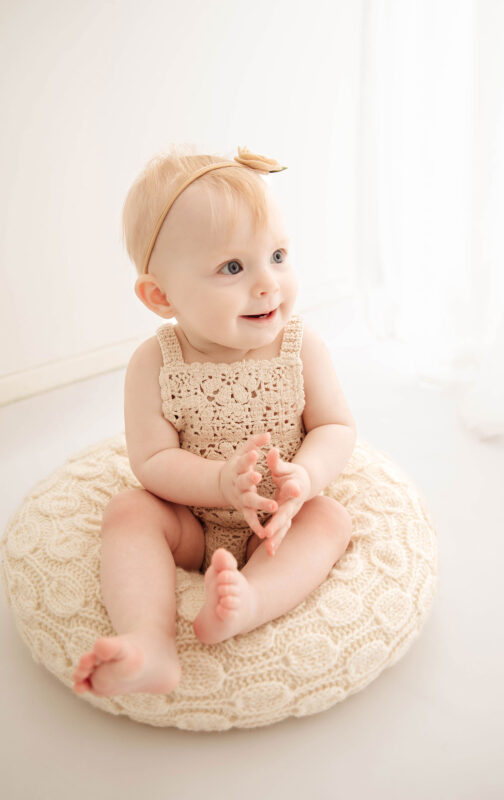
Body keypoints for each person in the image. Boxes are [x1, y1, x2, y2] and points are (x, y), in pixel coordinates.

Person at [72, 145, 357, 697]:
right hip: (189, 522)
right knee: (129, 511)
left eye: (277, 255)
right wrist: (218, 483)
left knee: (330, 521)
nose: (267, 282)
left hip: (278, 519)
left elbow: (335, 427)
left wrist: (307, 477)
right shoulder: (155, 363)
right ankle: (148, 642)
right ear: (161, 296)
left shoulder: (302, 347)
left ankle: (249, 601)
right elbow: (152, 462)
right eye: (233, 267)